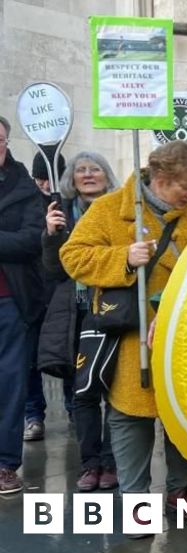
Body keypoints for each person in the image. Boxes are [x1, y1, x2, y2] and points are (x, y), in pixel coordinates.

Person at [60, 141, 187, 526]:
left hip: (182, 337)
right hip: (129, 335)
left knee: (182, 416)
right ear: (160, 179)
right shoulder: (110, 209)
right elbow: (72, 256)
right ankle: (135, 501)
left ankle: (180, 489)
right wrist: (123, 257)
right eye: (184, 187)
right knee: (130, 418)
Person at [38, 151, 120, 491]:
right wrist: (52, 235)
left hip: (112, 310)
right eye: (81, 169)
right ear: (71, 178)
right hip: (75, 313)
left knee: (115, 391)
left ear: (107, 175)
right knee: (81, 393)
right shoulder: (63, 214)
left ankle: (112, 460)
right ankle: (90, 464)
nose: (88, 175)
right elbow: (54, 271)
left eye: (95, 169)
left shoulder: (120, 212)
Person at [0, 115, 47, 494]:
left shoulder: (25, 188)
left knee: (10, 383)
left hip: (9, 301)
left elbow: (31, 240)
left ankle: (5, 464)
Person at [23, 147, 69, 441]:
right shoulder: (28, 202)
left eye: (48, 177)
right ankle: (33, 415)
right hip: (32, 289)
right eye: (40, 179)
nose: (46, 184)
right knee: (29, 358)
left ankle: (73, 407)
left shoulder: (68, 201)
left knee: (68, 351)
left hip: (61, 289)